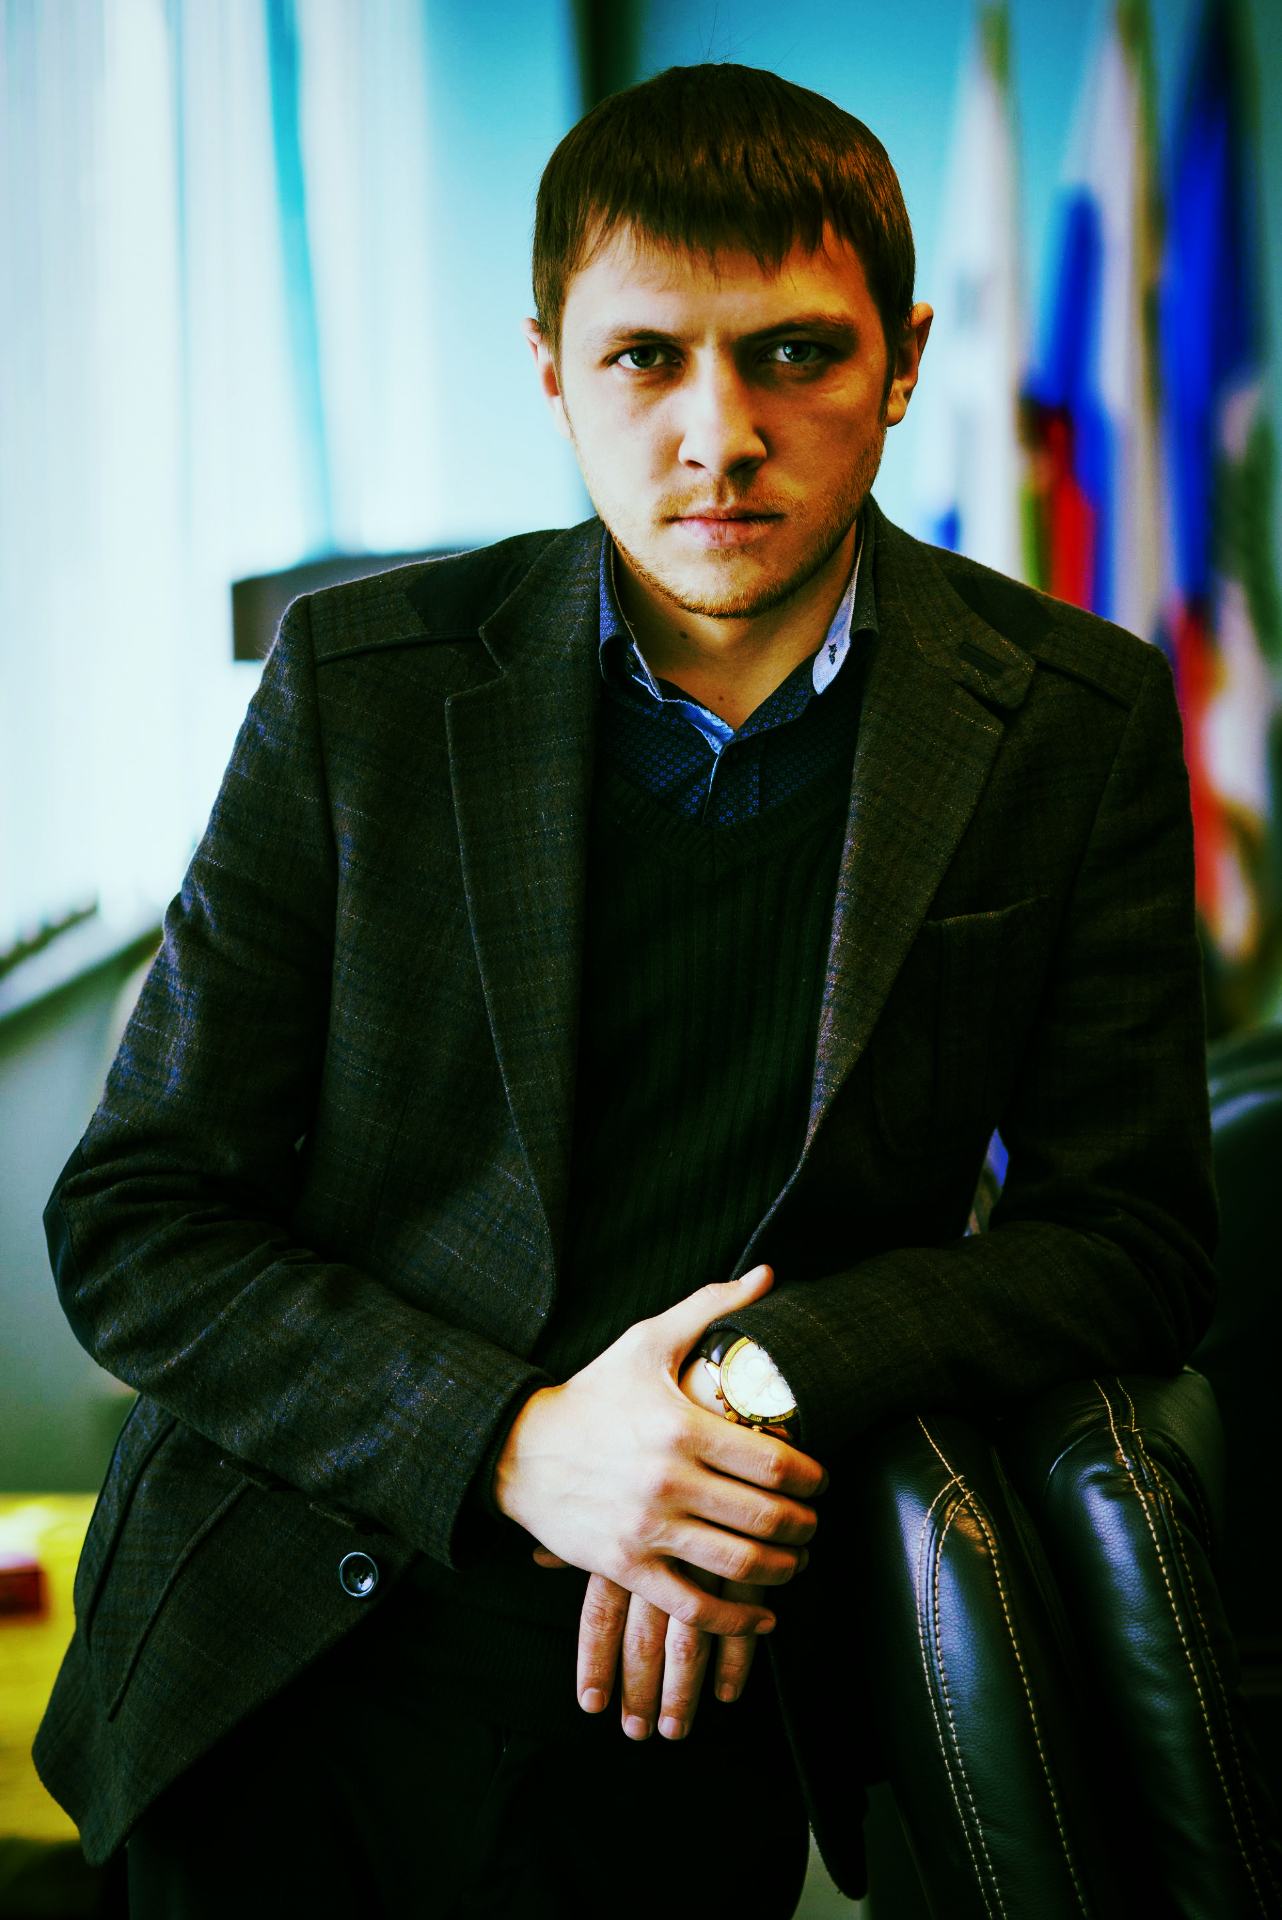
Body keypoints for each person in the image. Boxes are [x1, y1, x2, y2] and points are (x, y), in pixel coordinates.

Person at [34, 61, 1214, 1919]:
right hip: (280, 1664)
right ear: (550, 370)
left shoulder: (1070, 718)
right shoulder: (359, 686)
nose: (718, 436)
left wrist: (750, 1386)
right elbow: (133, 1225)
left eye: (795, 355)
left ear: (904, 361)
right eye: (646, 359)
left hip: (692, 1695)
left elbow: (1129, 1239)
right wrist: (518, 1449)